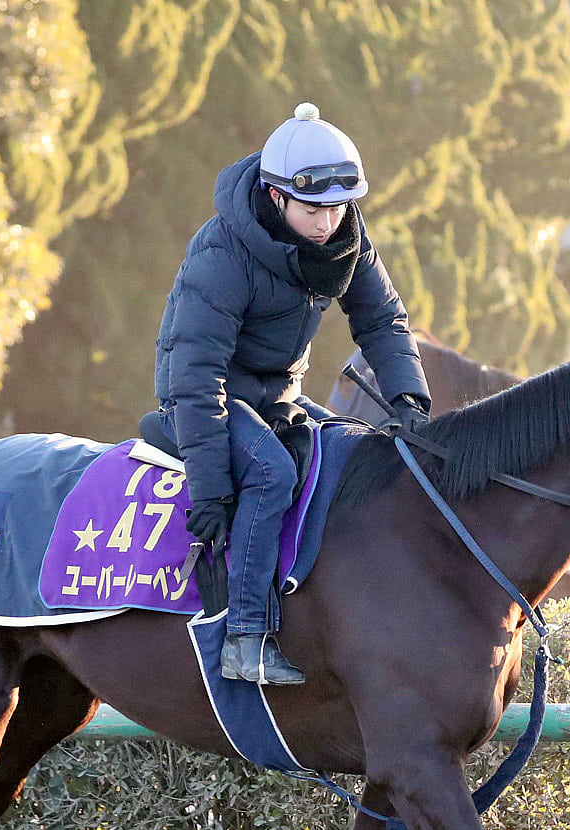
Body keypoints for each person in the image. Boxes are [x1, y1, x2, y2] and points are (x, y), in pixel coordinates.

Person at [155, 102, 431, 684]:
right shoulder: (222, 252)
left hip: (275, 394)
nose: (328, 222)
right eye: (313, 208)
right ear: (276, 196)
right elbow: (195, 375)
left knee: (353, 447)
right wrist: (208, 486)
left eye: (339, 207)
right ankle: (245, 638)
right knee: (272, 474)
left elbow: (382, 321)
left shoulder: (346, 238)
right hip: (205, 396)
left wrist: (409, 400)